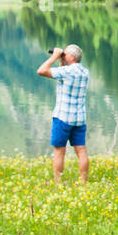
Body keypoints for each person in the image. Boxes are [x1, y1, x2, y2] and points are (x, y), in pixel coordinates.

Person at [36, 43, 90, 183]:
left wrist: (54, 57)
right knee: (81, 150)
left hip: (63, 118)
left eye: (65, 54)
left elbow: (41, 71)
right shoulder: (84, 72)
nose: (63, 55)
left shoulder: (67, 72)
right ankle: (83, 182)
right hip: (79, 119)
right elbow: (62, 76)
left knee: (59, 151)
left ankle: (58, 182)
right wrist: (62, 60)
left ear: (71, 57)